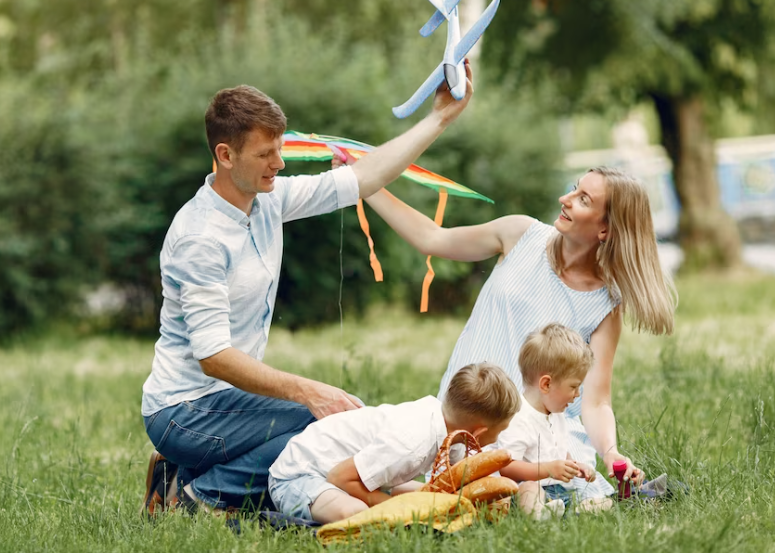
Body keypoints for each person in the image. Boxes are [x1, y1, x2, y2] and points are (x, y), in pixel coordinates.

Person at [141, 68, 475, 514]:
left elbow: (363, 178)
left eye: (278, 149)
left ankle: (183, 474)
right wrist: (308, 391)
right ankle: (195, 498)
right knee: (316, 429)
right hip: (184, 412)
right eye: (265, 154)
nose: (279, 163)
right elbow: (213, 355)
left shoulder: (267, 200)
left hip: (224, 403)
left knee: (330, 430)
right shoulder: (199, 238)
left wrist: (440, 119)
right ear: (225, 154)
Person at [346, 164, 677, 500]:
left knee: (536, 494)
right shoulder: (521, 234)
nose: (565, 199)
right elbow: (433, 238)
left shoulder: (605, 303)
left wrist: (610, 452)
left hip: (540, 439)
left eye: (583, 199)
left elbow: (595, 400)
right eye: (574, 188)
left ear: (605, 229)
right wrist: (364, 184)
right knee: (475, 492)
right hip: (472, 417)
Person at [267, 363, 521, 524]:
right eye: (503, 429)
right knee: (357, 513)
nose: (500, 437)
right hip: (302, 477)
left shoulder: (451, 429)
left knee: (426, 496)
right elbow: (339, 477)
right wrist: (397, 507)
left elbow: (456, 482)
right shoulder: (411, 443)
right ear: (480, 431)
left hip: (351, 472)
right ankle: (297, 524)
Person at [495, 323, 614, 520]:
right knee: (529, 489)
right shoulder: (518, 416)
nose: (577, 395)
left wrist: (574, 465)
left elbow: (558, 449)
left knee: (596, 495)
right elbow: (507, 467)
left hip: (559, 490)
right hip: (530, 488)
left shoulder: (556, 412)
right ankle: (541, 512)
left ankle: (569, 510)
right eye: (574, 387)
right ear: (546, 384)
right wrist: (548, 469)